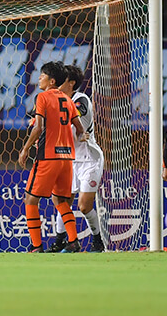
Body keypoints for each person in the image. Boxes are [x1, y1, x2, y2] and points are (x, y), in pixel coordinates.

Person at [18, 62, 87, 253]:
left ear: (52, 81)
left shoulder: (42, 97)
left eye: (42, 75)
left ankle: (36, 246)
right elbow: (80, 129)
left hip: (48, 157)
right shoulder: (67, 100)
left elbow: (38, 128)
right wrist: (79, 136)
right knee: (61, 201)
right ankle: (73, 241)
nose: (39, 78)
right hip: (67, 159)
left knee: (30, 200)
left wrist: (25, 149)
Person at [48, 64, 110, 253]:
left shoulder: (80, 100)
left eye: (62, 81)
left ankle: (97, 240)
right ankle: (61, 241)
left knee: (84, 206)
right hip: (68, 160)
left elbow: (70, 119)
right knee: (62, 202)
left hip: (89, 160)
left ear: (71, 83)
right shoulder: (55, 101)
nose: (58, 85)